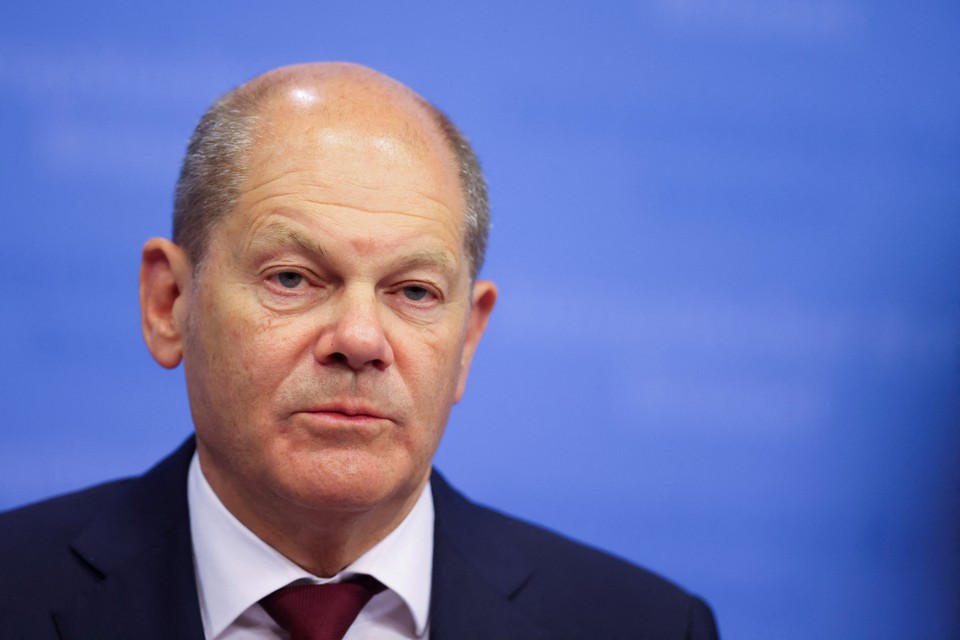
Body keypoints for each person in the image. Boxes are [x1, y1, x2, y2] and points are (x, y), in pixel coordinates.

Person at [0, 62, 719, 639]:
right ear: (169, 303)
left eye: (414, 292)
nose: (360, 340)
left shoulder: (644, 626)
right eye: (292, 278)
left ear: (468, 339)